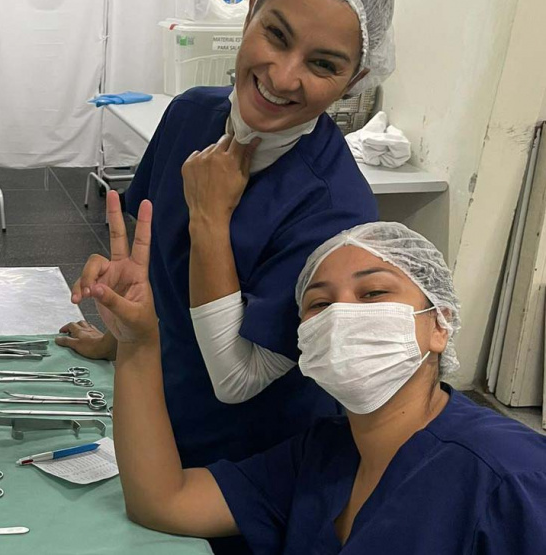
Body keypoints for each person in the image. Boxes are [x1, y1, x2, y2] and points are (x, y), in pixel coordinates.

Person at [59, 0, 397, 469]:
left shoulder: (336, 209)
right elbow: (155, 266)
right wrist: (116, 338)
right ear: (250, 13)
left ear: (355, 80)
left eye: (323, 64)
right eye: (277, 35)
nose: (283, 78)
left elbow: (239, 379)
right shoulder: (189, 114)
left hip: (254, 460)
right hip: (159, 412)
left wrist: (210, 220)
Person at [96, 212, 546, 553]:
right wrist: (138, 343)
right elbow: (164, 501)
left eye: (373, 293)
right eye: (319, 305)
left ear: (440, 325)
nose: (342, 316)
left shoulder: (511, 477)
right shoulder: (323, 455)